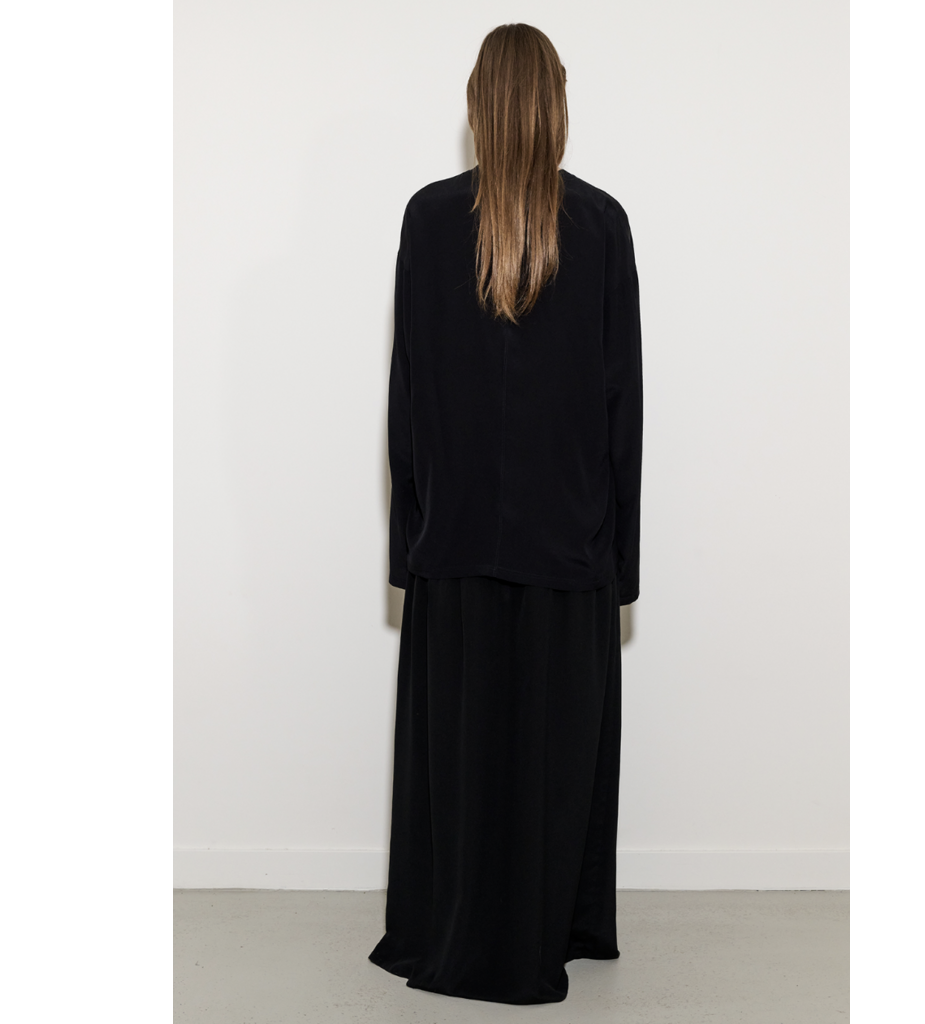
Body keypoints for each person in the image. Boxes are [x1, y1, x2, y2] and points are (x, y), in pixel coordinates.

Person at [368, 22, 642, 1006]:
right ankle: (557, 924)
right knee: (554, 762)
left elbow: (407, 398)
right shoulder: (601, 223)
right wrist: (620, 562)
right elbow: (622, 407)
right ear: (555, 103)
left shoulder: (428, 218)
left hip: (455, 540)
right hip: (567, 543)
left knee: (462, 762)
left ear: (476, 103)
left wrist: (411, 546)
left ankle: (446, 927)